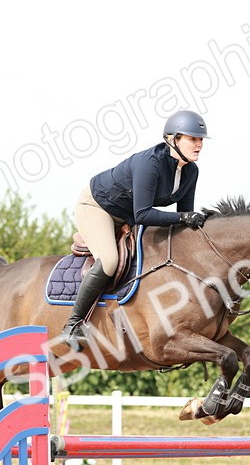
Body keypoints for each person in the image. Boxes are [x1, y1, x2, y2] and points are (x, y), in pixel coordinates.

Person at [64, 110, 209, 351]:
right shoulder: (150, 163)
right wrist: (184, 217)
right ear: (173, 139)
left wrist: (197, 222)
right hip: (98, 206)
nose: (199, 144)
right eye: (193, 139)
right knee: (109, 260)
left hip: (127, 215)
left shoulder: (190, 172)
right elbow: (143, 214)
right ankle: (72, 324)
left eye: (201, 140)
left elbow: (183, 217)